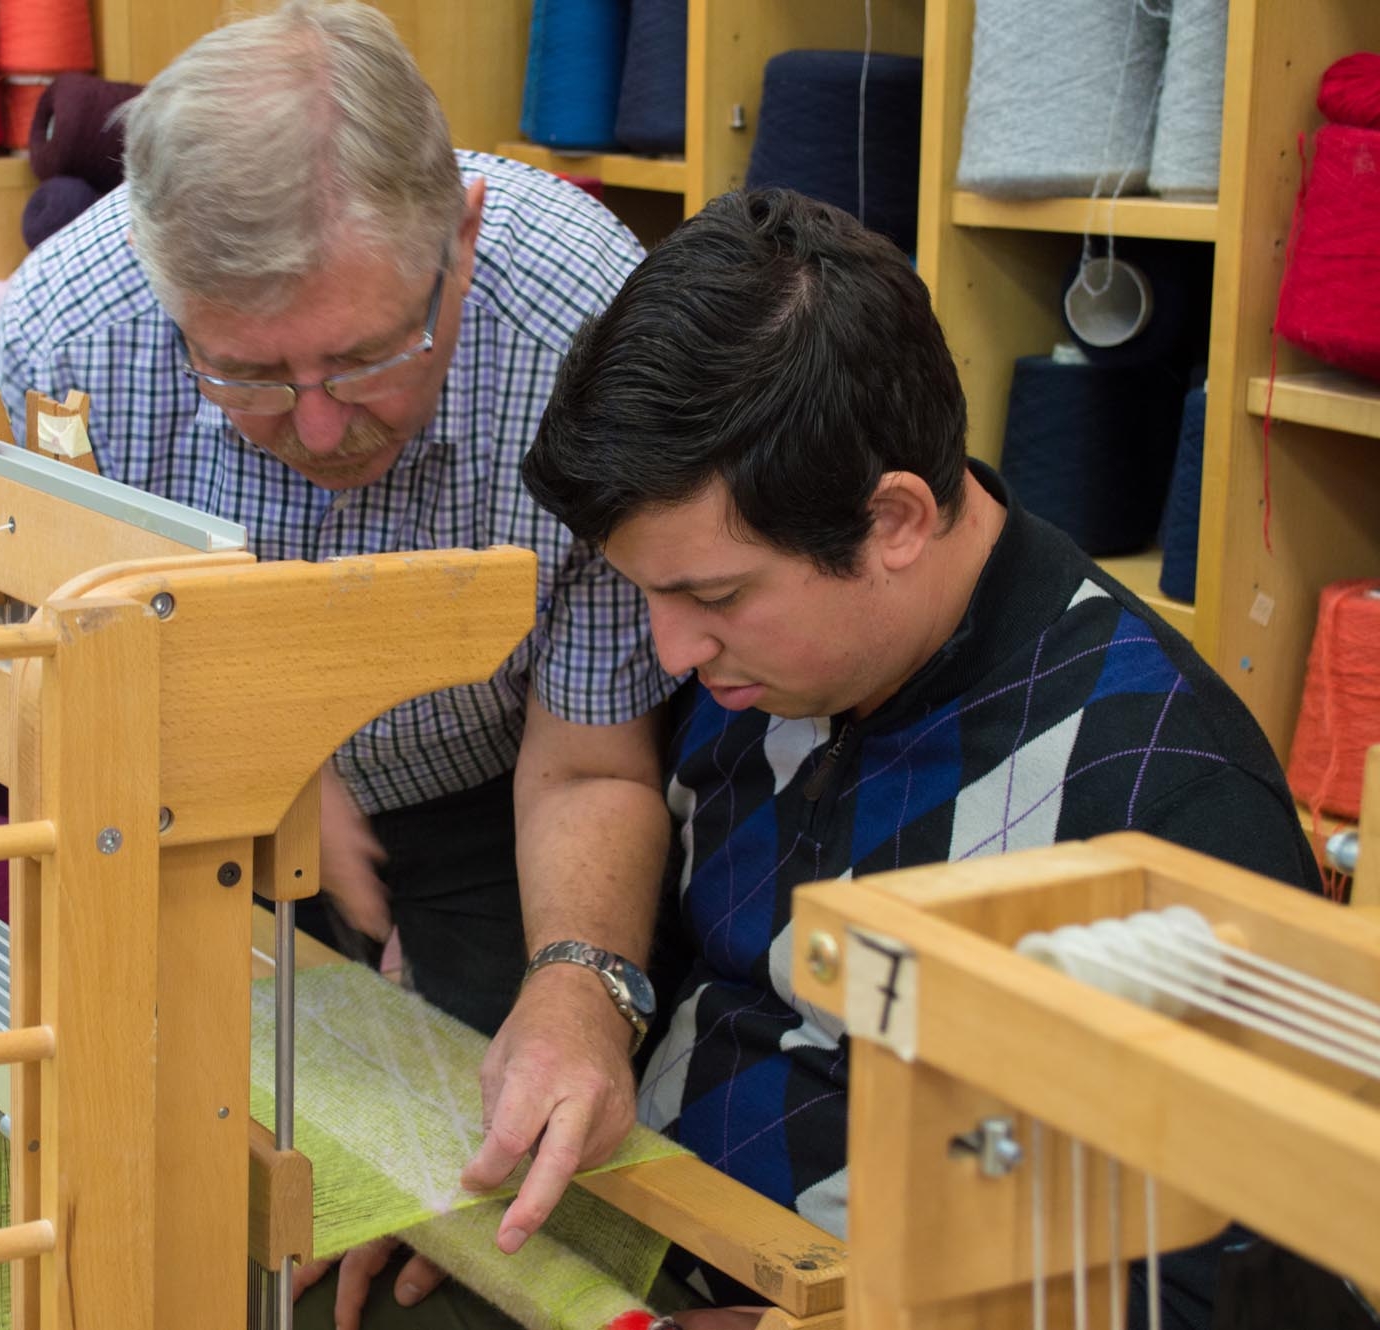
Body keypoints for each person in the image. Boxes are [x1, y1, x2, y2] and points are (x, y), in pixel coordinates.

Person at [507, 188, 1322, 1327]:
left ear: (892, 520)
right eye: (648, 594)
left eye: (711, 596)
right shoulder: (772, 665)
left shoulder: (1158, 796)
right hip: (626, 1260)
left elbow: (1249, 1294)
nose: (671, 651)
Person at [0, 2, 680, 1309]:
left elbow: (590, 763)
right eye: (244, 372)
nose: (313, 424)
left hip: (503, 801)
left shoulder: (589, 325)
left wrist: (584, 989)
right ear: (158, 281)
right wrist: (258, 762)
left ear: (462, 239)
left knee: (501, 1234)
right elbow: (45, 701)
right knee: (186, 1222)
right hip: (174, 809)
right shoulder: (67, 340)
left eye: (367, 357)